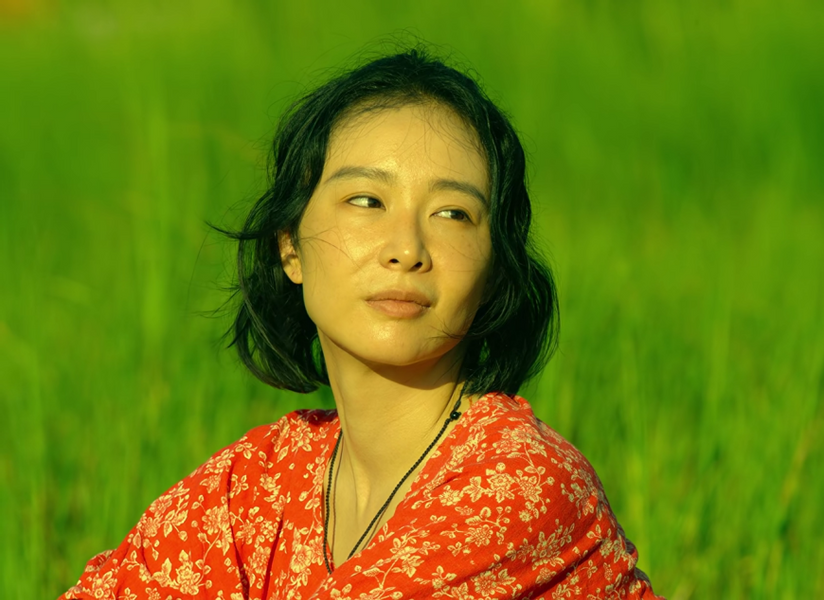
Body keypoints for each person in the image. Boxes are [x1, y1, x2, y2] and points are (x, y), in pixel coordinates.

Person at [62, 49, 659, 599]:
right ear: (290, 245)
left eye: (453, 213)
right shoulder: (260, 487)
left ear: (495, 274)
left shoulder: (519, 482)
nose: (407, 249)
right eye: (367, 201)